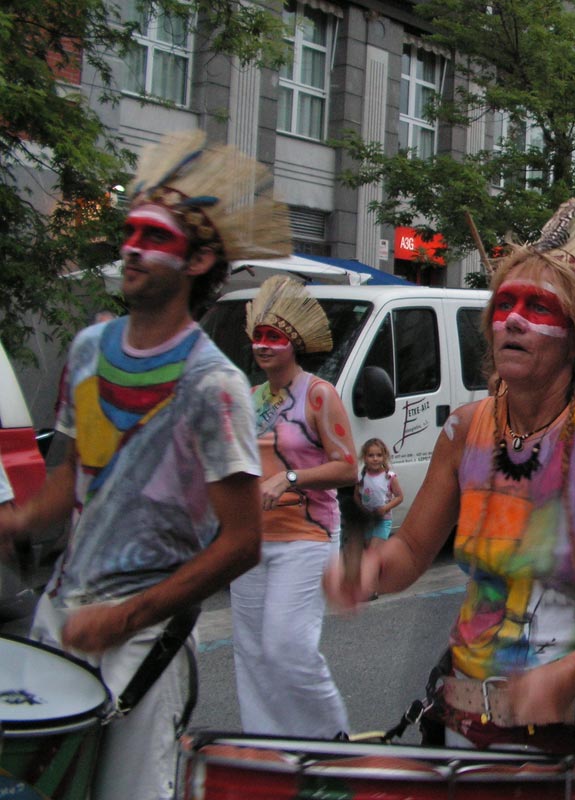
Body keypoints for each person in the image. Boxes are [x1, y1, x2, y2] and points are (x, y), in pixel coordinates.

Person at [325, 200, 575, 798]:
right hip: (469, 725)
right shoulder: (465, 430)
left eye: (538, 308)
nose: (513, 320)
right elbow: (407, 554)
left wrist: (569, 674)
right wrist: (364, 568)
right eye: (504, 305)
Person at [0, 130, 280, 800]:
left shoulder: (215, 387)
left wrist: (127, 618)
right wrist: (8, 521)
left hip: (141, 640)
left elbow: (242, 544)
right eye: (130, 233)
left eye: (153, 238)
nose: (131, 248)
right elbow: (63, 491)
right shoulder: (88, 350)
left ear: (198, 258)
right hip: (59, 619)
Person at [230, 275, 357, 738]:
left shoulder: (318, 394)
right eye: (258, 337)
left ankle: (329, 738)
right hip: (252, 541)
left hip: (307, 537)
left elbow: (348, 468)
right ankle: (267, 746)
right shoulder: (251, 398)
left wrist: (289, 477)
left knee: (286, 646)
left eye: (274, 337)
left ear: (293, 344)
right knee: (252, 651)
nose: (263, 346)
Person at [356, 438, 404, 551]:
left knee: (374, 551)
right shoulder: (361, 477)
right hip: (367, 520)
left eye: (379, 455)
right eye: (371, 455)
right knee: (368, 550)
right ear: (365, 458)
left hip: (383, 519)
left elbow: (399, 497)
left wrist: (385, 508)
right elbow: (357, 496)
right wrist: (363, 510)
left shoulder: (389, 477)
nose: (375, 459)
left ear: (384, 457)